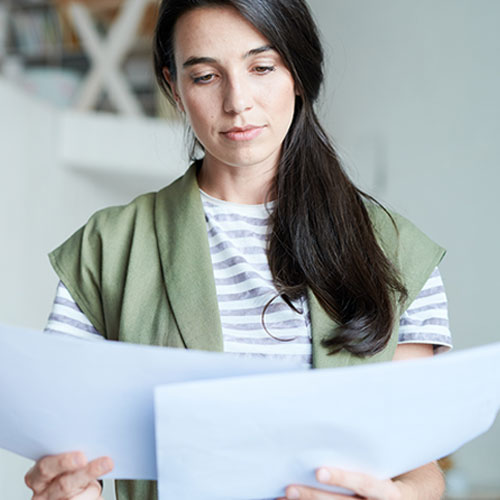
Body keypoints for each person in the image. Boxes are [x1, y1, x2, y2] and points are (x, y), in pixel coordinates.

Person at [24, 0, 452, 499]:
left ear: (297, 72)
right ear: (175, 88)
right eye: (205, 76)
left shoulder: (394, 250)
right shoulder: (108, 249)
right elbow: (71, 456)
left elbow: (419, 469)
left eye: (262, 67)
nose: (237, 102)